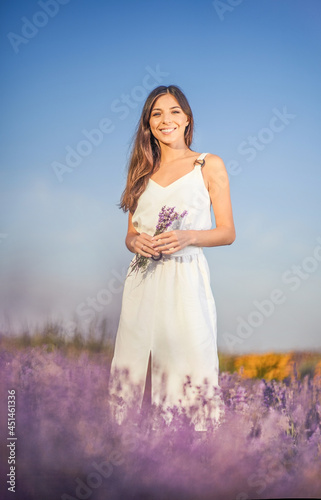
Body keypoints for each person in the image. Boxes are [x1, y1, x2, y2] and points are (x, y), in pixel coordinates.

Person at [108, 85, 235, 431]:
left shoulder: (207, 164)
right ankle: (131, 457)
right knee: (136, 371)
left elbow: (227, 232)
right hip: (142, 280)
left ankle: (193, 461)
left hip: (186, 280)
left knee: (189, 367)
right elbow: (131, 233)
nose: (166, 120)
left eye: (174, 111)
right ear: (148, 125)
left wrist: (188, 236)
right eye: (157, 114)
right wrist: (135, 243)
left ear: (187, 119)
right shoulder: (141, 173)